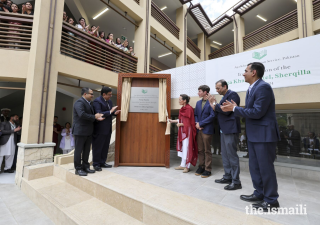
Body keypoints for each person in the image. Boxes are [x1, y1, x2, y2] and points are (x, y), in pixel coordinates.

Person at [221, 62, 281, 212]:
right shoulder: (251, 88)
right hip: (254, 135)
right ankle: (259, 193)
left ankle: (271, 200)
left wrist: (235, 109)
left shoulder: (263, 87)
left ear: (253, 72)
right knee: (255, 167)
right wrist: (238, 108)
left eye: (245, 71)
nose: (243, 73)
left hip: (264, 136)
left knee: (265, 168)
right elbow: (251, 110)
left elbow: (258, 112)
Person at [208, 79, 242, 190]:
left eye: (218, 88)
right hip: (223, 129)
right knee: (225, 155)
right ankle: (228, 177)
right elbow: (218, 110)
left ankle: (236, 181)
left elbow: (226, 110)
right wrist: (215, 105)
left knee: (232, 155)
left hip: (230, 129)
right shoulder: (224, 97)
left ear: (225, 86)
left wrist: (214, 104)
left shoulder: (233, 95)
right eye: (216, 88)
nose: (217, 90)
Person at [73, 87, 104, 176]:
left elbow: (91, 116)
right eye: (91, 94)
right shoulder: (79, 102)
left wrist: (97, 118)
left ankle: (86, 167)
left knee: (86, 151)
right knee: (78, 151)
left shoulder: (89, 103)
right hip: (80, 131)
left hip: (88, 131)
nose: (92, 95)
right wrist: (95, 116)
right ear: (85, 94)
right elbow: (81, 114)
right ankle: (78, 169)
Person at [92, 87, 120, 171]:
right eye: (109, 94)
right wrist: (110, 111)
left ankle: (102, 162)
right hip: (100, 128)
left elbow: (109, 113)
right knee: (98, 146)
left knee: (105, 146)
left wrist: (114, 113)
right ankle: (96, 164)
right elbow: (99, 114)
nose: (111, 96)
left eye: (111, 94)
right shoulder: (97, 101)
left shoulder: (110, 101)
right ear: (104, 94)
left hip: (108, 128)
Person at [169, 94, 198, 173]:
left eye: (180, 99)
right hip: (182, 132)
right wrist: (172, 121)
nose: (179, 101)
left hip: (188, 132)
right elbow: (181, 120)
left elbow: (190, 122)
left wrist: (181, 124)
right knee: (183, 148)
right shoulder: (182, 109)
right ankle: (182, 165)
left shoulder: (189, 109)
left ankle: (187, 166)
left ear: (184, 100)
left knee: (187, 148)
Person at [194, 85, 215, 178]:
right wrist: (197, 123)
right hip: (199, 130)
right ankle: (201, 167)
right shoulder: (198, 103)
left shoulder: (211, 102)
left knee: (207, 150)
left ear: (205, 92)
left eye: (200, 91)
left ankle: (208, 169)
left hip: (207, 129)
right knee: (200, 150)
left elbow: (213, 115)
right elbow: (195, 115)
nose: (198, 93)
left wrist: (201, 123)